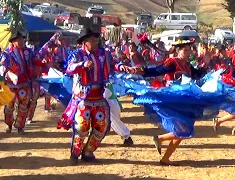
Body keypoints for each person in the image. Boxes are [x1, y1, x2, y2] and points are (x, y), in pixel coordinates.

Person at [120, 39, 207, 165]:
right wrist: (138, 70)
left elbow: (197, 75)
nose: (188, 53)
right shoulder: (173, 62)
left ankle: (165, 157)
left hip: (185, 100)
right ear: (178, 51)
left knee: (185, 130)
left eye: (189, 50)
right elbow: (156, 71)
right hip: (174, 99)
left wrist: (205, 65)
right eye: (185, 50)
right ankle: (159, 139)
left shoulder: (188, 65)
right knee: (185, 129)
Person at [58, 28, 111, 164]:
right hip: (83, 98)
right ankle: (75, 154)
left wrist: (123, 67)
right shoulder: (77, 54)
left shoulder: (103, 54)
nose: (95, 42)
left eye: (95, 39)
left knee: (101, 127)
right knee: (81, 127)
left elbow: (114, 64)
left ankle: (88, 152)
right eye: (92, 40)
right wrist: (82, 65)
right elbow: (69, 69)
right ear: (84, 43)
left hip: (99, 97)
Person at [0, 31, 43, 134]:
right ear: (13, 42)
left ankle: (20, 126)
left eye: (22, 39)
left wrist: (39, 64)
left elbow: (36, 60)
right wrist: (7, 72)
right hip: (11, 84)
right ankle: (9, 124)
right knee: (9, 105)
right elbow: (2, 66)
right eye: (18, 40)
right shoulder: (7, 53)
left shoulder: (28, 51)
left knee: (24, 105)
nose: (21, 41)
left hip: (25, 83)